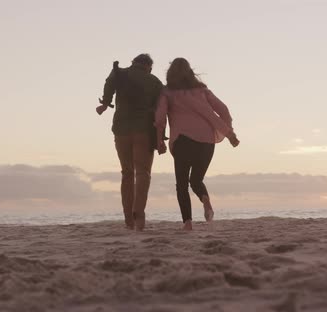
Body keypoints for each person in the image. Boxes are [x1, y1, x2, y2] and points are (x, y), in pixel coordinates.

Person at [154, 57, 239, 231]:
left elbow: (160, 116)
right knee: (196, 180)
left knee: (182, 183)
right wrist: (228, 131)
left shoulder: (167, 92)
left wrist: (159, 139)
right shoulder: (202, 91)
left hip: (183, 140)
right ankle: (206, 201)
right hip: (206, 141)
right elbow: (223, 109)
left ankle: (187, 222)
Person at [97, 53, 163, 231]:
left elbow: (108, 84)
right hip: (144, 131)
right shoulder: (155, 82)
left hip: (121, 129)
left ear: (133, 62)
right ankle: (138, 213)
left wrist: (105, 103)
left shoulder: (120, 73)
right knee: (142, 173)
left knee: (127, 173)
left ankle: (128, 220)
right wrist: (161, 136)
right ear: (149, 66)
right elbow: (161, 111)